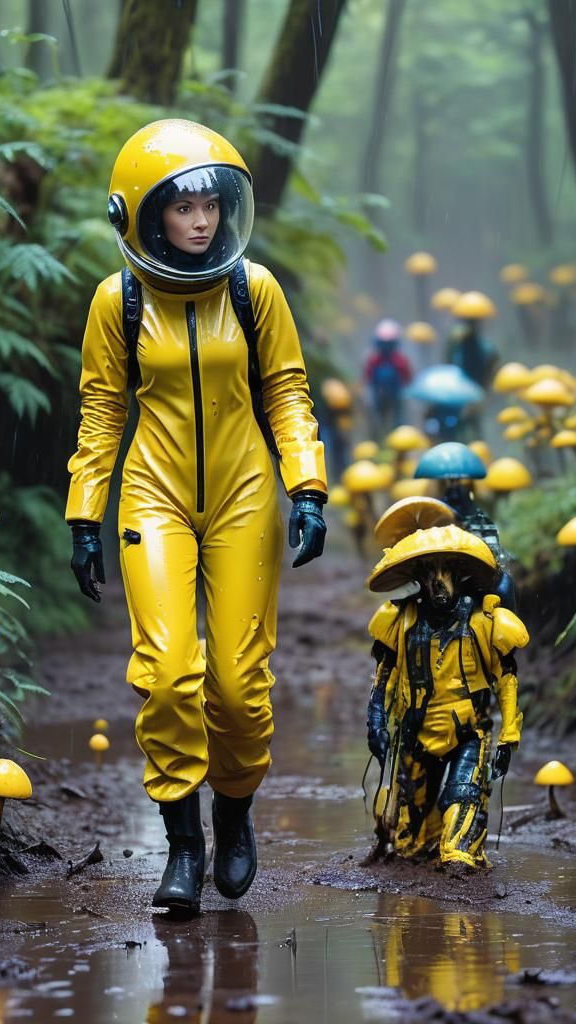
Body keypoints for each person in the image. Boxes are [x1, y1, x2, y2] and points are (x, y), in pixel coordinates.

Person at [65, 119, 328, 916]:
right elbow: (104, 408)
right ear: (144, 214)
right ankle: (182, 844)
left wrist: (307, 487)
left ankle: (235, 814)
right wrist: (85, 512)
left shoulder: (255, 289)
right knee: (170, 672)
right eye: (182, 207)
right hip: (154, 493)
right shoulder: (119, 300)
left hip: (247, 490)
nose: (202, 220)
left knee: (241, 686)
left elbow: (285, 390)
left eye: (212, 203)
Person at [364, 526, 527, 870]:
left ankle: (461, 866)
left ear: (459, 574)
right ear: (418, 578)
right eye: (429, 572)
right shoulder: (399, 620)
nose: (438, 581)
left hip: (468, 733)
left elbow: (506, 678)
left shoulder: (485, 621)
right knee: (410, 845)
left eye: (446, 571)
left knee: (458, 844)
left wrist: (508, 737)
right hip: (415, 735)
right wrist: (376, 720)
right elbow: (384, 676)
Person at [363, 318, 411, 436]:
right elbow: (407, 377)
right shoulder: (378, 359)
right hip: (383, 395)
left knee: (391, 421)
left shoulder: (395, 359)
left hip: (391, 395)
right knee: (384, 421)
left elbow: (367, 376)